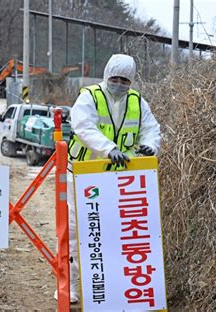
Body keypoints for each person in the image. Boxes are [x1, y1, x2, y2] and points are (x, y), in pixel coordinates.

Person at [65, 54, 161, 303]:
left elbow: (152, 129)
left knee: (115, 235)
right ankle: (70, 287)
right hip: (83, 175)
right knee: (75, 233)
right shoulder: (90, 96)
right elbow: (83, 126)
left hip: (120, 181)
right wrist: (108, 149)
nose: (119, 84)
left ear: (131, 82)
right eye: (115, 78)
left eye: (125, 80)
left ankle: (114, 287)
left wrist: (151, 145)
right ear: (107, 76)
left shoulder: (138, 102)